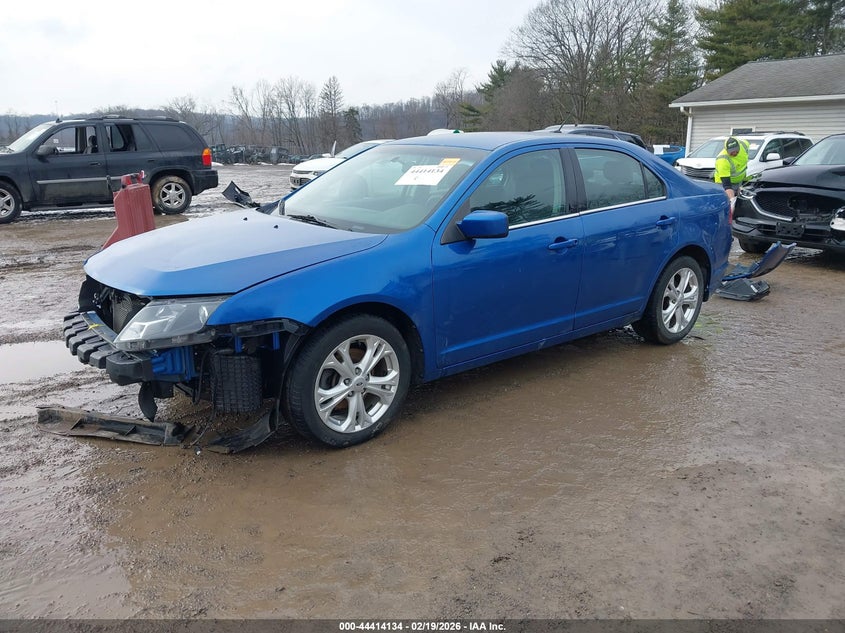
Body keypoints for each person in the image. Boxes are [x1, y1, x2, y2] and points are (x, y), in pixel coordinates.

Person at [713, 136, 749, 200]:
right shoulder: (723, 160)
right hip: (723, 183)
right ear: (726, 149)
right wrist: (732, 201)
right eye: (731, 152)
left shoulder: (744, 145)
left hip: (739, 181)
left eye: (736, 150)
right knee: (727, 201)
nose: (734, 153)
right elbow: (727, 185)